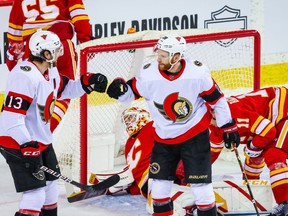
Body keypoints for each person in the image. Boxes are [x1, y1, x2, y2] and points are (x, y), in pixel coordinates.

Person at [106, 34, 240, 216]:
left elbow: (217, 100)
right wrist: (120, 91)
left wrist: (227, 125)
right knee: (160, 189)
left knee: (202, 188)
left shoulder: (197, 73)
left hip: (194, 136)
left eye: (163, 55)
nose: (158, 59)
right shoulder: (149, 73)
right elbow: (131, 92)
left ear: (176, 57)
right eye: (158, 54)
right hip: (164, 139)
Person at [0, 30, 107, 216]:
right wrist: (26, 144)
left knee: (51, 193)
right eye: (57, 50)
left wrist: (86, 83)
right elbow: (11, 118)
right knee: (35, 195)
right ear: (46, 54)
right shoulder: (24, 76)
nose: (61, 53)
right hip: (16, 142)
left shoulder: (50, 71)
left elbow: (64, 90)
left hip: (40, 141)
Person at [6, 0, 93, 132]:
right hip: (60, 46)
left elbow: (14, 34)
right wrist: (86, 41)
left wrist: (12, 61)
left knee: (35, 94)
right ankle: (44, 136)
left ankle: (25, 136)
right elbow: (79, 15)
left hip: (33, 50)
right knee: (63, 92)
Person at [209, 86, 288, 215]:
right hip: (269, 119)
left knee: (274, 154)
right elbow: (208, 156)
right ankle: (255, 192)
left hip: (283, 110)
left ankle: (285, 204)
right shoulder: (215, 122)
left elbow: (269, 131)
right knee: (253, 156)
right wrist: (185, 176)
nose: (210, 122)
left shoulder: (233, 114)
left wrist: (253, 147)